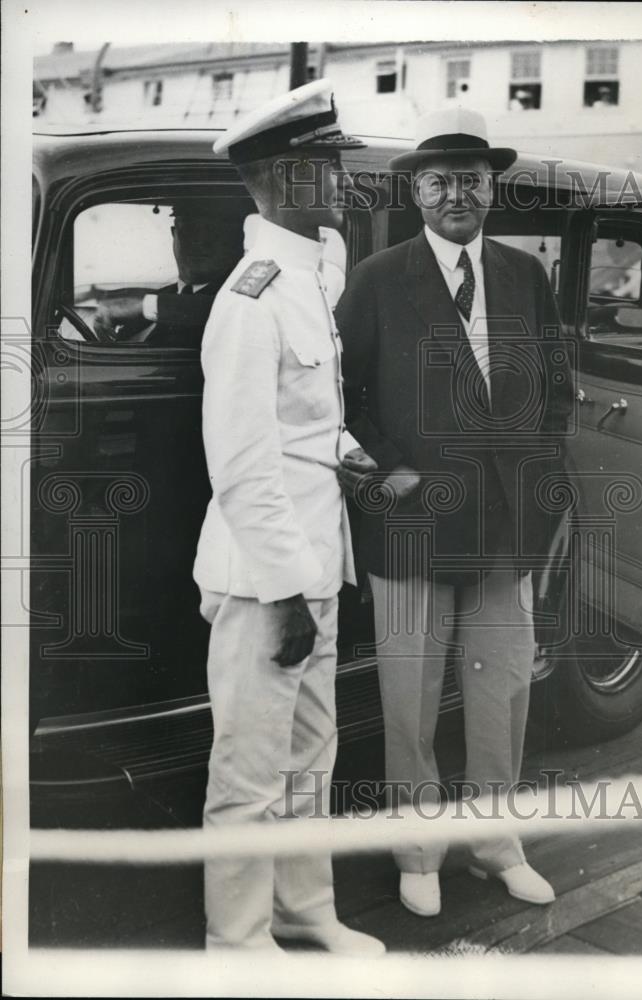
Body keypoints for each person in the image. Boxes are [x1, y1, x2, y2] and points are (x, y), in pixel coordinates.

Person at [335, 106, 573, 918]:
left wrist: (540, 484)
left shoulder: (524, 275)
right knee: (408, 696)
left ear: (490, 186)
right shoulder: (376, 278)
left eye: (471, 178)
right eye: (440, 180)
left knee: (504, 687)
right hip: (409, 529)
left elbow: (556, 394)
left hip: (506, 528)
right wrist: (395, 471)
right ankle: (418, 850)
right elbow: (344, 396)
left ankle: (496, 845)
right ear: (417, 191)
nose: (457, 193)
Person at [192, 78, 385, 957]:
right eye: (323, 165)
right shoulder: (252, 297)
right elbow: (239, 462)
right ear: (279, 177)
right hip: (266, 573)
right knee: (249, 770)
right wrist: (286, 592)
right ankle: (237, 945)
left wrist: (350, 454)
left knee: (312, 757)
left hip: (318, 558)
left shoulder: (310, 275)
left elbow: (304, 418)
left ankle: (305, 913)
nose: (341, 179)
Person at [92, 199, 246, 346]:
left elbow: (227, 310)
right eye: (189, 230)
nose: (200, 241)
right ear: (174, 234)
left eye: (213, 232)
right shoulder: (159, 299)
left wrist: (146, 306)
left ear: (235, 241)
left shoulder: (237, 300)